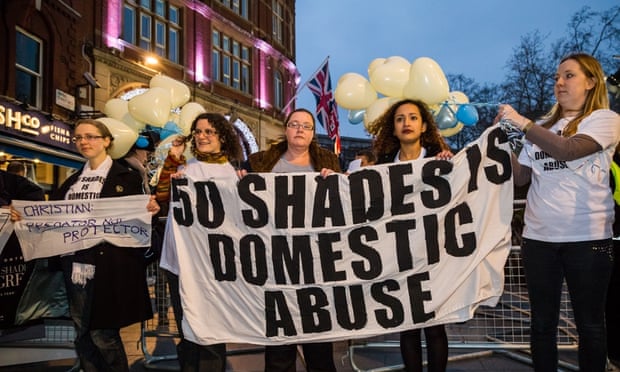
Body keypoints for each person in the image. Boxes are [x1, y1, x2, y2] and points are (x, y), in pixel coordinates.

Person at [497, 52, 620, 371]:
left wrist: (522, 124)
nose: (559, 83)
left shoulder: (605, 120)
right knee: (541, 326)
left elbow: (568, 150)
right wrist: (505, 143)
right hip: (539, 240)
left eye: (569, 75)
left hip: (588, 239)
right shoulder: (541, 127)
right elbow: (522, 178)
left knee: (590, 326)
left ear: (591, 82)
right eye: (556, 78)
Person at [12, 118, 161, 371]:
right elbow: (52, 215)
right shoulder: (71, 182)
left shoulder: (126, 177)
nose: (84, 142)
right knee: (82, 332)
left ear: (106, 141)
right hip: (75, 265)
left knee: (103, 333)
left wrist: (151, 210)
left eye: (91, 136)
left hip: (110, 267)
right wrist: (25, 216)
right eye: (79, 138)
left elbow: (139, 217)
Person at [242, 108, 340, 372]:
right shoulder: (259, 162)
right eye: (294, 124)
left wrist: (340, 182)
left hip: (315, 263)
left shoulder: (328, 161)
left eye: (306, 126)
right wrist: (238, 182)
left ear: (312, 134)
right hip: (275, 262)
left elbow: (342, 205)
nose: (300, 130)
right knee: (279, 344)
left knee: (318, 342)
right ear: (285, 129)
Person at [368, 98, 452, 372]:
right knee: (408, 327)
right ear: (393, 128)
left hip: (433, 255)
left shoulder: (440, 160)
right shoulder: (382, 166)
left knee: (435, 326)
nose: (407, 123)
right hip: (399, 255)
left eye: (413, 117)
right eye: (400, 118)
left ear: (424, 125)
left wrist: (451, 167)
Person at [155, 112, 243, 372]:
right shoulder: (183, 167)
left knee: (212, 325)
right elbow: (161, 195)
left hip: (214, 264)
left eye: (209, 132)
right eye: (198, 131)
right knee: (186, 323)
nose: (202, 136)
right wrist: (172, 158)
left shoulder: (233, 174)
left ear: (222, 137)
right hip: (182, 263)